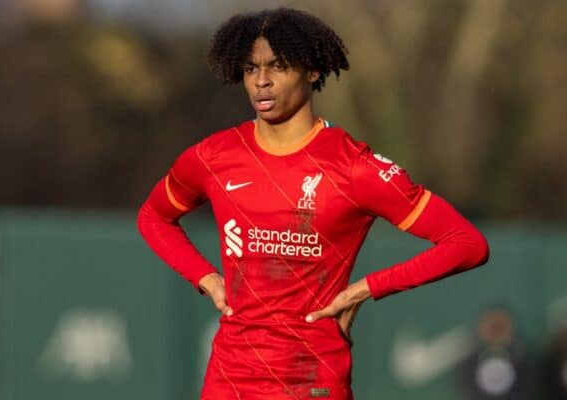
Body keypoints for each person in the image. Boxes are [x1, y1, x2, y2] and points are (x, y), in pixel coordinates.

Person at [137, 7, 490, 400]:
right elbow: (154, 216)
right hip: (229, 380)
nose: (262, 81)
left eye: (278, 66)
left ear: (313, 71)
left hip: (313, 381)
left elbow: (466, 244)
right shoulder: (213, 156)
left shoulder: (354, 168)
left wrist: (365, 289)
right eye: (251, 68)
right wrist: (205, 277)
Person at [457, 305, 532, 400]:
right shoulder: (470, 361)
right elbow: (467, 388)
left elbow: (526, 387)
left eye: (500, 327)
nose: (496, 333)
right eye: (492, 327)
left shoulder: (521, 358)